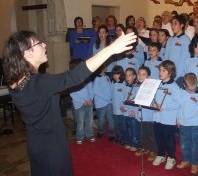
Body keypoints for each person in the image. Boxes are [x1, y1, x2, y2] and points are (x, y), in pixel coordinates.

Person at [2, 30, 136, 176]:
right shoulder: (39, 83)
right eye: (39, 43)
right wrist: (110, 50)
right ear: (27, 53)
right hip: (52, 147)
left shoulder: (15, 82)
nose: (45, 45)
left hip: (35, 143)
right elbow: (74, 76)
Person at [152, 60, 181, 170]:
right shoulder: (157, 84)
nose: (160, 72)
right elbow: (154, 97)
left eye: (163, 70)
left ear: (170, 72)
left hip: (168, 119)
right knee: (159, 138)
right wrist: (153, 103)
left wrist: (165, 107)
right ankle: (160, 155)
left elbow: (178, 102)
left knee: (169, 140)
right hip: (157, 117)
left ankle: (171, 158)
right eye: (160, 70)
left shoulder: (175, 87)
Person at [176, 73, 198, 174]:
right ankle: (185, 160)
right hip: (183, 123)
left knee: (194, 145)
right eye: (190, 89)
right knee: (184, 144)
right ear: (184, 85)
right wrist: (177, 118)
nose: (192, 91)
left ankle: (194, 163)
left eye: (194, 88)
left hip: (195, 124)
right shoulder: (181, 93)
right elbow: (179, 106)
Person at [69, 59, 95, 144]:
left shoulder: (86, 76)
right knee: (80, 122)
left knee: (89, 121)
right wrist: (82, 101)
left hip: (89, 103)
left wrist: (90, 99)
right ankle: (80, 136)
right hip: (79, 104)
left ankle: (90, 134)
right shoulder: (72, 79)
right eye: (82, 65)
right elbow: (72, 93)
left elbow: (91, 89)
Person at [135, 66, 157, 161]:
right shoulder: (136, 86)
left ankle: (154, 151)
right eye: (139, 74)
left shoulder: (152, 88)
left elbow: (155, 102)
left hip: (149, 116)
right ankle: (144, 148)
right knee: (142, 134)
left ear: (148, 77)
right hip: (140, 115)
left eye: (143, 74)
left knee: (151, 135)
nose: (140, 76)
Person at [164, 14, 190, 79]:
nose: (173, 26)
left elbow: (184, 60)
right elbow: (166, 57)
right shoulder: (170, 39)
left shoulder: (186, 39)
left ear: (182, 25)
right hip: (169, 74)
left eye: (175, 24)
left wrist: (176, 76)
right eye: (172, 24)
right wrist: (165, 72)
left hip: (179, 75)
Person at [93, 65, 115, 141]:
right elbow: (96, 91)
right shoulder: (97, 79)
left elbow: (110, 88)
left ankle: (112, 134)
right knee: (101, 120)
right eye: (105, 65)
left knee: (110, 119)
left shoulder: (107, 77)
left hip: (109, 102)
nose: (107, 66)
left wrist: (111, 96)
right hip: (100, 103)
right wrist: (107, 98)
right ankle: (101, 131)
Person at [111, 65, 127, 146]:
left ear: (121, 74)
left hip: (122, 110)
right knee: (117, 125)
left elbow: (125, 97)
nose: (115, 76)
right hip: (114, 109)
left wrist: (123, 106)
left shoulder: (124, 84)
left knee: (123, 125)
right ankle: (119, 137)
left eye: (117, 74)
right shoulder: (113, 83)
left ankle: (125, 139)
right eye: (114, 74)